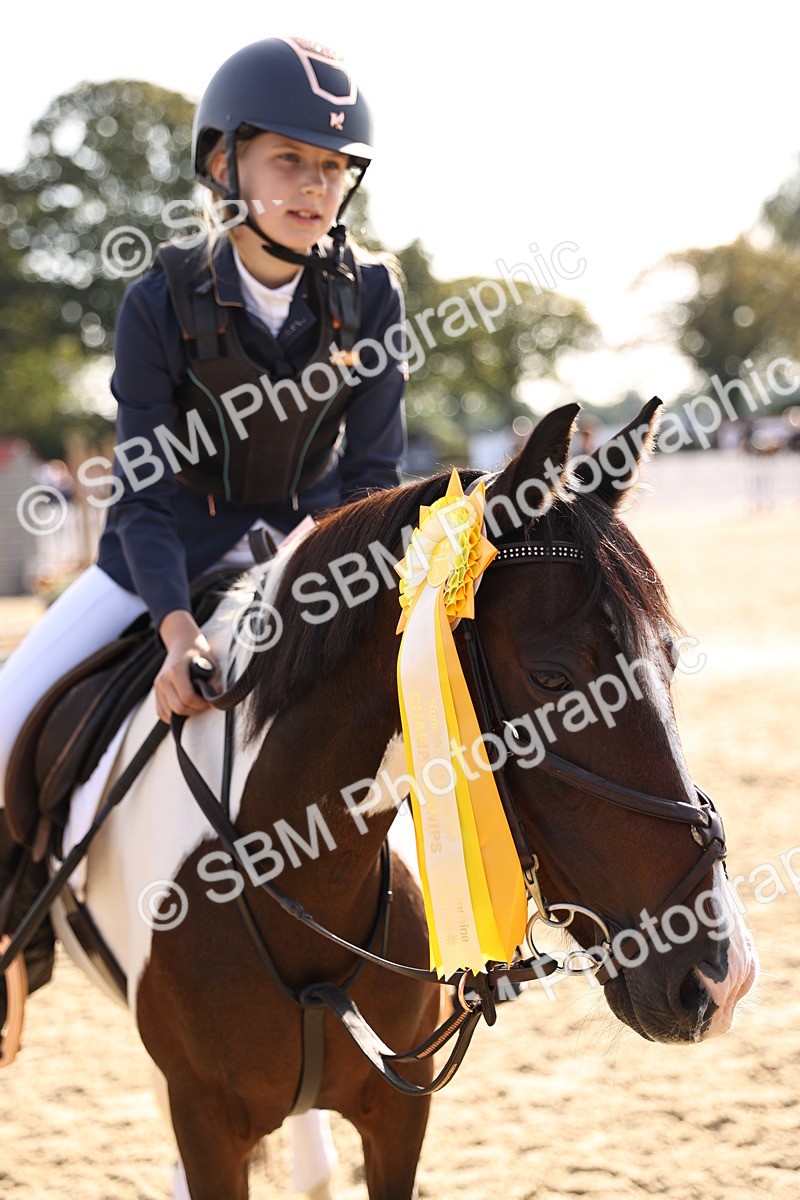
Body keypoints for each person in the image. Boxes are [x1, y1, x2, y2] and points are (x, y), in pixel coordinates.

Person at [0, 36, 407, 1025]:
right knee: (4, 720)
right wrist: (180, 636)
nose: (316, 188)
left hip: (300, 564)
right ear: (224, 165)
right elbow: (140, 495)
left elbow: (370, 482)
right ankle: (14, 947)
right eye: (290, 161)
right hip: (158, 563)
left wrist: (321, 590)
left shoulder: (373, 295)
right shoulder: (159, 299)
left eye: (332, 168)